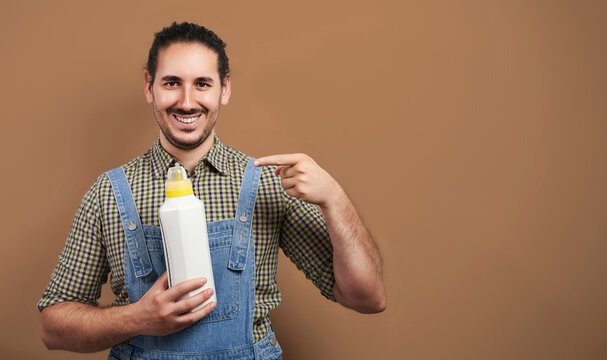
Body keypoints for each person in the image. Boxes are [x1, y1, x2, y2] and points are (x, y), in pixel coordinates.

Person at [38, 22, 386, 360]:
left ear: (225, 88)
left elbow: (366, 298)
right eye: (172, 83)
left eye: (202, 84)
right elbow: (53, 327)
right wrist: (138, 318)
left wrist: (336, 199)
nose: (187, 102)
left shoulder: (266, 183)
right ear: (149, 86)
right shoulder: (109, 193)